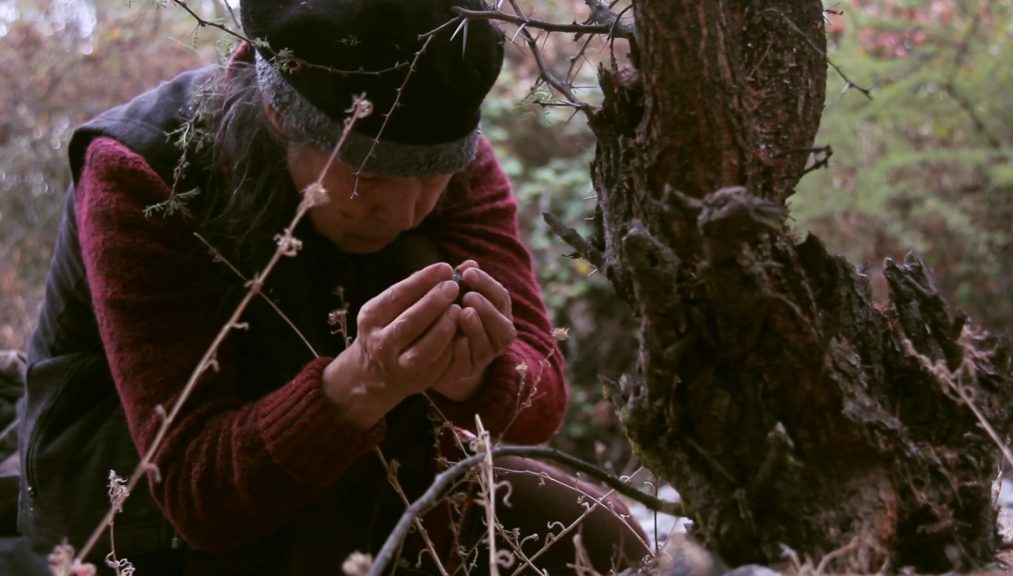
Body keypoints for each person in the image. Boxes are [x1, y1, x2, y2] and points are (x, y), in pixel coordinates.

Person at [18, 0, 649, 574]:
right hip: (142, 504)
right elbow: (195, 491)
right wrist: (362, 383)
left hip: (373, 459)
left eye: (431, 179)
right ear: (278, 115)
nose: (404, 212)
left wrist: (473, 374)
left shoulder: (443, 143)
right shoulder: (143, 172)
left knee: (603, 539)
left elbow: (541, 393)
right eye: (367, 176)